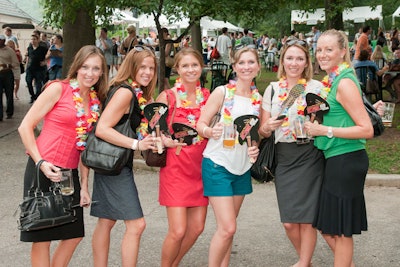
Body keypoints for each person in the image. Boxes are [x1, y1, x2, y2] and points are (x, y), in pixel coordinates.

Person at [18, 45, 108, 267]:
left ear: (102, 72)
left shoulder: (96, 101)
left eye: (96, 68)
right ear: (77, 67)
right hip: (43, 168)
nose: (90, 73)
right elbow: (25, 126)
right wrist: (40, 162)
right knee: (42, 237)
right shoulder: (58, 88)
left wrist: (85, 186)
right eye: (85, 67)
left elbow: (85, 146)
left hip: (69, 173)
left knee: (74, 234)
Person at [304, 29, 374, 267]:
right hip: (335, 158)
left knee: (342, 231)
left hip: (347, 159)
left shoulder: (343, 82)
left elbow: (366, 129)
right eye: (319, 49)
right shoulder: (334, 80)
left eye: (329, 49)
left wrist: (325, 131)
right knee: (329, 225)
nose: (322, 54)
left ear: (343, 51)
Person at [259, 39, 325, 267]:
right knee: (289, 221)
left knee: (307, 220)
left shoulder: (317, 87)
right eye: (290, 58)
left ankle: (304, 262)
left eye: (299, 58)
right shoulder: (273, 89)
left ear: (306, 61)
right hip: (284, 157)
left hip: (310, 155)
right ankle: (305, 260)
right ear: (282, 61)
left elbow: (331, 114)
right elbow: (262, 129)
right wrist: (267, 128)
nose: (294, 63)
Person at [90, 46, 158, 267]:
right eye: (143, 67)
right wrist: (136, 143)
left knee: (106, 221)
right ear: (132, 67)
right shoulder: (126, 92)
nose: (147, 72)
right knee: (137, 225)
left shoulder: (131, 91)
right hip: (115, 165)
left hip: (113, 162)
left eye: (151, 68)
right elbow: (102, 129)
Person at [196, 46, 261, 267]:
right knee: (228, 227)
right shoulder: (222, 93)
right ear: (234, 67)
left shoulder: (258, 100)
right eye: (241, 63)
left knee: (228, 228)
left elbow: (254, 135)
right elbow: (200, 124)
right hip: (217, 165)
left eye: (251, 62)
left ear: (258, 67)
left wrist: (255, 147)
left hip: (242, 168)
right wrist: (208, 131)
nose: (246, 67)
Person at [155, 47, 210, 267]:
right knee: (177, 230)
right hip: (176, 167)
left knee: (196, 228)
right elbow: (150, 129)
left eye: (194, 65)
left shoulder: (208, 96)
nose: (190, 69)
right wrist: (164, 139)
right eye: (185, 65)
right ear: (177, 69)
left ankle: (173, 263)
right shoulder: (167, 96)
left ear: (201, 67)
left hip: (202, 167)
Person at [25, 34, 48, 103]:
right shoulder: (29, 48)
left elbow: (49, 56)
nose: (33, 41)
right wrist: (26, 66)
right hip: (30, 69)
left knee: (38, 84)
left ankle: (37, 96)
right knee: (28, 82)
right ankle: (32, 96)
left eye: (34, 39)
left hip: (39, 69)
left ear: (38, 40)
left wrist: (45, 62)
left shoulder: (43, 49)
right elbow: (28, 57)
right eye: (31, 39)